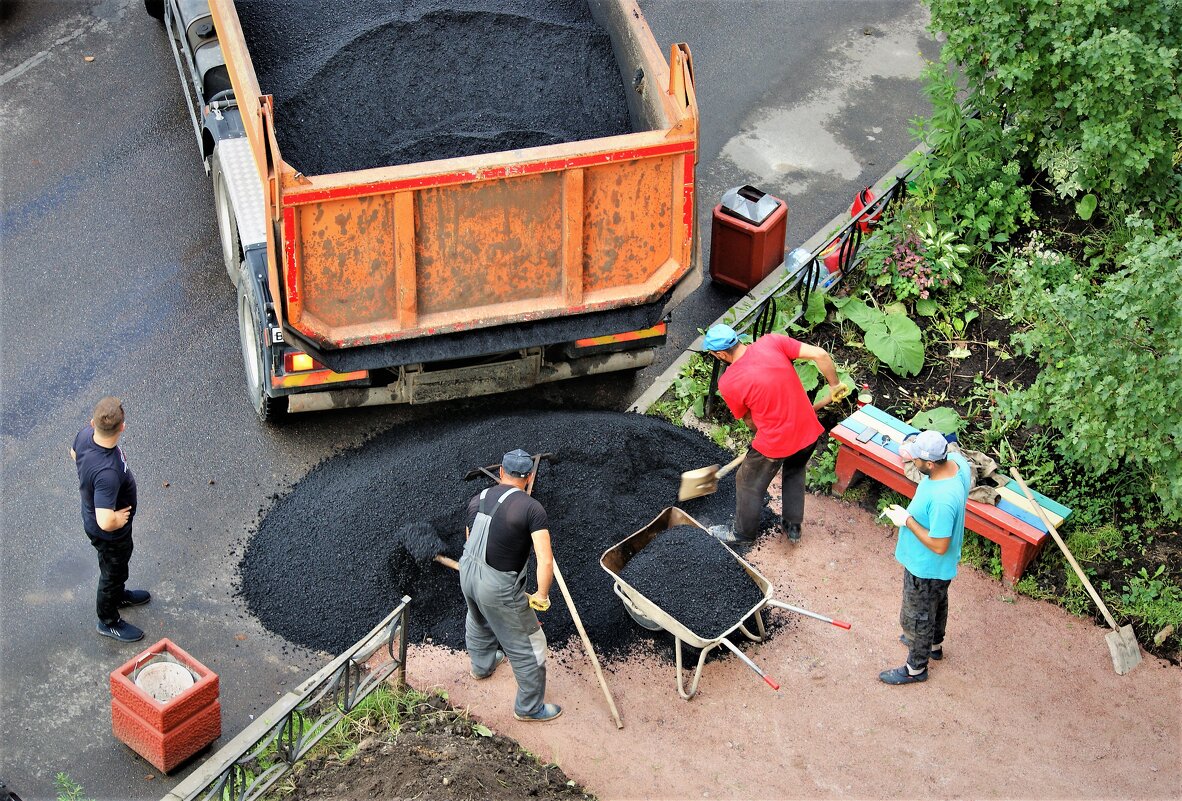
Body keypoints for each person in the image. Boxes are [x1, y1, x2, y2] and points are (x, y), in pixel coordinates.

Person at [702, 323, 847, 545]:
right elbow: (820, 354)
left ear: (720, 354)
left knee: (747, 482)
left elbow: (750, 420)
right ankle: (793, 526)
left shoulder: (729, 382)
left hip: (775, 442)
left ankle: (741, 534)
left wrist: (761, 438)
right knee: (795, 471)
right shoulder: (772, 342)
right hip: (808, 430)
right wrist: (835, 385)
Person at [459, 448, 561, 722]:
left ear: (501, 473)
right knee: (530, 644)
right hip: (498, 587)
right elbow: (545, 559)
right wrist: (542, 595)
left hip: (467, 573)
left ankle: (481, 667)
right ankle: (529, 708)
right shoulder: (531, 508)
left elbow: (470, 540)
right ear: (528, 477)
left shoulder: (477, 498)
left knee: (478, 620)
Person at [878, 429, 971, 685]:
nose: (913, 462)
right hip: (940, 568)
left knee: (917, 616)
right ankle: (934, 645)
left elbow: (940, 545)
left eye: (916, 459)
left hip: (926, 566)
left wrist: (906, 520)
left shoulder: (943, 498)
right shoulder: (957, 464)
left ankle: (916, 668)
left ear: (930, 463)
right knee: (938, 602)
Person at [71, 397, 150, 643]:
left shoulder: (85, 435)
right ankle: (108, 620)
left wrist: (87, 474)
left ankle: (118, 596)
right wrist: (117, 518)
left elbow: (74, 453)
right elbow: (105, 521)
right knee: (112, 572)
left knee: (117, 566)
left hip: (103, 524)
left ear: (92, 423)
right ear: (122, 427)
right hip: (109, 533)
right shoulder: (107, 472)